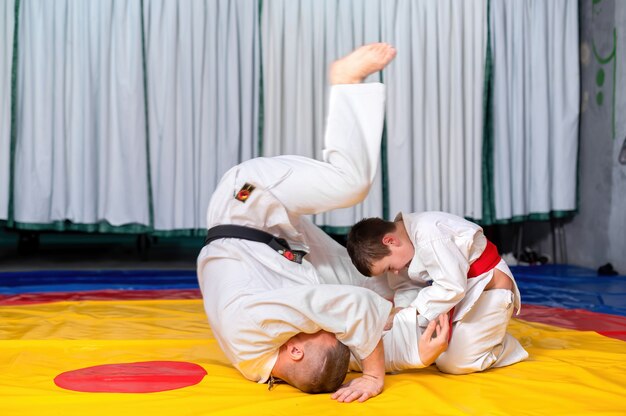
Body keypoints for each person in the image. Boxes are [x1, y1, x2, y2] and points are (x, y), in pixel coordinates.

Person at [198, 43, 407, 403]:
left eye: (324, 331)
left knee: (351, 183)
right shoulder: (267, 361)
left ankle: (346, 83)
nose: (327, 327)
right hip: (276, 245)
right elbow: (352, 322)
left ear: (295, 351)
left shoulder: (254, 328)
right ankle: (439, 296)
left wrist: (373, 376)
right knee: (374, 286)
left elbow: (352, 310)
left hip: (247, 201)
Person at [346, 211, 529, 375]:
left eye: (390, 267)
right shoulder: (403, 246)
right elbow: (405, 287)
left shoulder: (429, 232)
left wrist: (407, 314)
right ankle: (479, 336)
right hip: (456, 296)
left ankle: (501, 346)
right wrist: (400, 313)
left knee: (454, 363)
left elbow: (452, 287)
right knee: (424, 346)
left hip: (489, 290)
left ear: (390, 241)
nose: (394, 272)